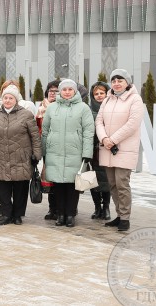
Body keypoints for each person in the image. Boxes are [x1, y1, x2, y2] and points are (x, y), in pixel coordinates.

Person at [41, 78, 94, 228]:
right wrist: (43, 151)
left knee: (72, 185)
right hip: (55, 152)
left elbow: (88, 132)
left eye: (70, 89)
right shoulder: (52, 108)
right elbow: (45, 130)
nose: (67, 92)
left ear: (75, 91)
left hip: (74, 152)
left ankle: (70, 214)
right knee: (58, 185)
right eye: (64, 89)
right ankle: (60, 214)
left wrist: (87, 153)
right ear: (60, 91)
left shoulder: (83, 108)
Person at [96, 69, 144, 232]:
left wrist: (112, 140)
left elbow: (132, 124)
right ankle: (119, 215)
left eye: (120, 80)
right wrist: (104, 139)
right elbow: (99, 121)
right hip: (108, 148)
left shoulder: (135, 99)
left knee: (122, 183)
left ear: (127, 82)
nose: (116, 83)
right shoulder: (107, 99)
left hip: (124, 148)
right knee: (112, 184)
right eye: (114, 80)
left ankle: (125, 218)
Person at [0, 85, 41, 225]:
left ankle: (17, 215)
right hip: (1, 157)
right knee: (3, 189)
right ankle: (6, 214)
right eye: (5, 97)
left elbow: (35, 136)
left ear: (16, 100)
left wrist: (36, 154)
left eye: (11, 98)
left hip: (21, 157)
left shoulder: (26, 114)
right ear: (2, 99)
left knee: (20, 189)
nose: (8, 100)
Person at [88, 81, 112, 221]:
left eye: (101, 93)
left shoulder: (111, 109)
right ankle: (97, 207)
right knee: (93, 180)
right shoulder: (88, 110)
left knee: (106, 180)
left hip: (106, 149)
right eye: (96, 93)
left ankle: (107, 207)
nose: (99, 96)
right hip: (92, 151)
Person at [37, 79, 60, 220]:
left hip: (63, 148)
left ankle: (66, 208)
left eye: (56, 91)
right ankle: (52, 209)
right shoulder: (41, 107)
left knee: (63, 180)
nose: (53, 93)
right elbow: (37, 127)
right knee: (50, 179)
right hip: (47, 147)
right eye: (51, 90)